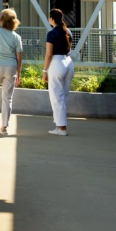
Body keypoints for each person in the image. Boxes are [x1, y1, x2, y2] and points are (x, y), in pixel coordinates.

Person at [44, 8, 74, 136]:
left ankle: (61, 128)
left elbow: (48, 54)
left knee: (56, 97)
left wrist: (45, 70)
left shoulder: (51, 33)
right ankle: (59, 125)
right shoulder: (68, 32)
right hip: (68, 63)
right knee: (63, 96)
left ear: (51, 18)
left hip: (56, 63)